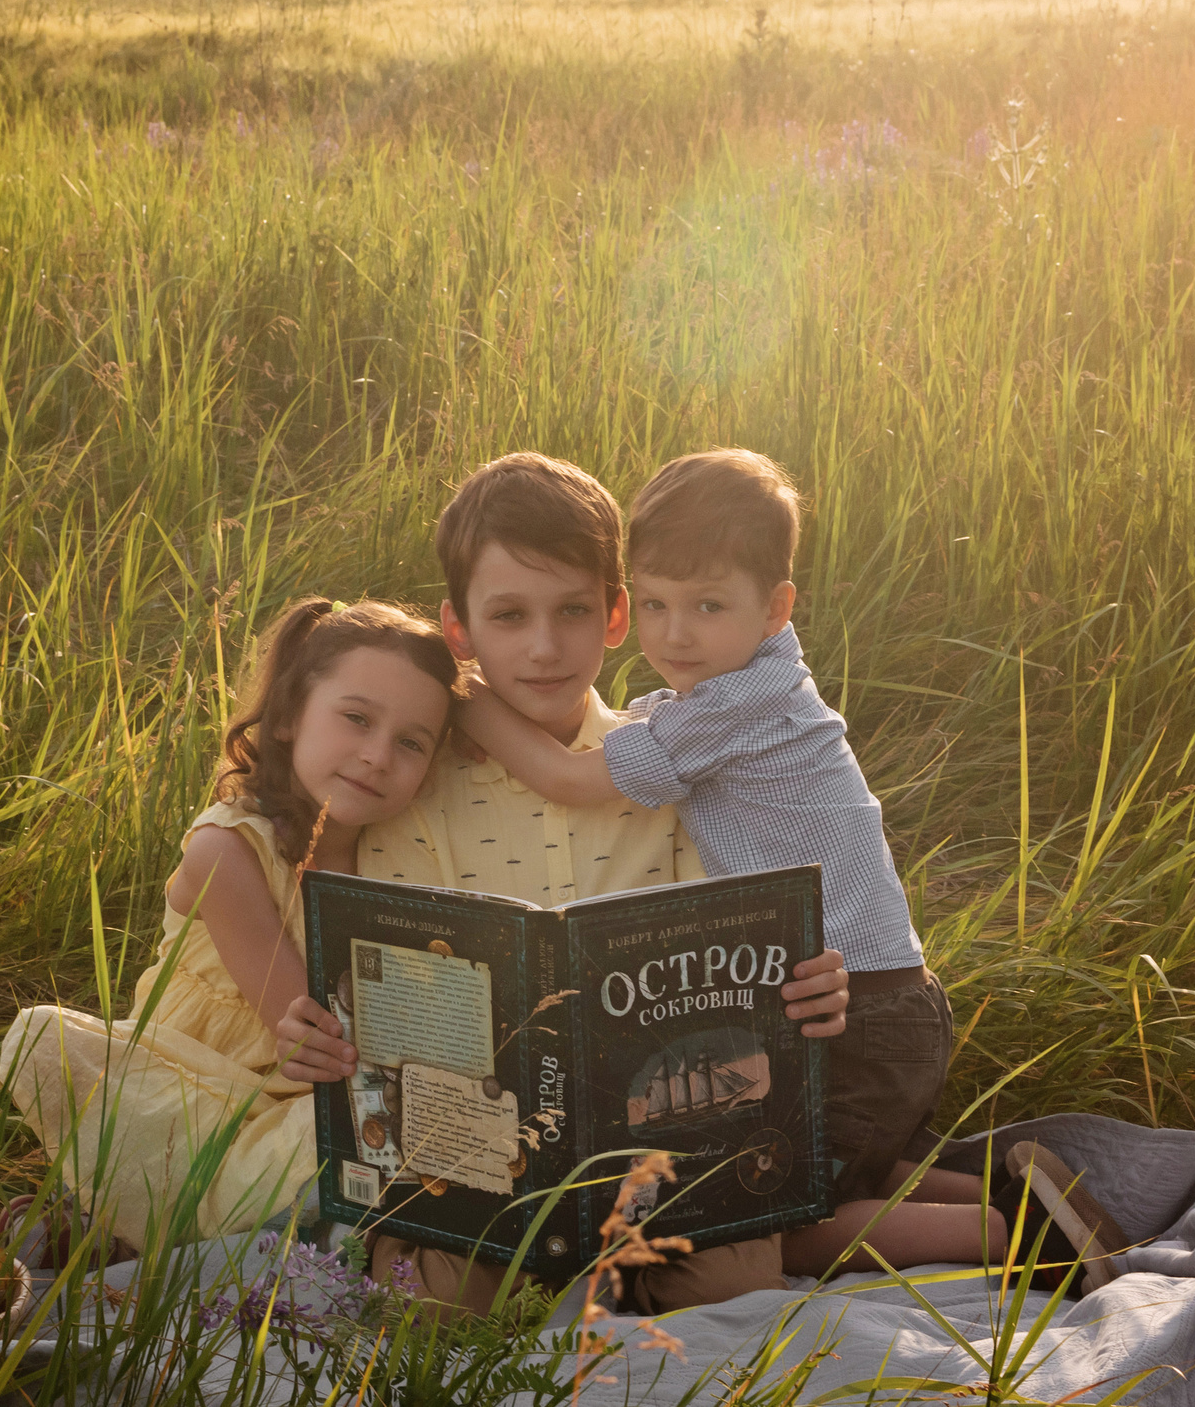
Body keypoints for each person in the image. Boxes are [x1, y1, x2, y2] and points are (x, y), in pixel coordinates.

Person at [460, 449, 1130, 1285]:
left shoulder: (735, 703)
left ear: (776, 607)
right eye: (660, 602)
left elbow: (567, 775)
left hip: (854, 1012)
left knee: (777, 1209)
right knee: (826, 1162)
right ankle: (1010, 1189)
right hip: (877, 999)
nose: (675, 633)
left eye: (708, 604)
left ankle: (1016, 1237)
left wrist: (465, 697)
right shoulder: (753, 685)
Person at [354, 451, 853, 1315]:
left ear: (616, 614)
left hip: (661, 1148)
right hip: (476, 1158)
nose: (544, 647)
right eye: (509, 616)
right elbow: (390, 1018)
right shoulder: (415, 797)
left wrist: (810, 982)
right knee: (443, 1309)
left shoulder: (662, 776)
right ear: (460, 631)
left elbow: (739, 965)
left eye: (574, 611)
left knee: (736, 1295)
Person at [0, 598, 444, 1251]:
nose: (377, 755)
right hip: (206, 1105)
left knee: (397, 1147)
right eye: (355, 718)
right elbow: (315, 1040)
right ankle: (133, 1234)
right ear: (287, 716)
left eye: (411, 742)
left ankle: (221, 1240)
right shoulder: (227, 850)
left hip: (298, 1112)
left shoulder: (395, 857)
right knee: (364, 1146)